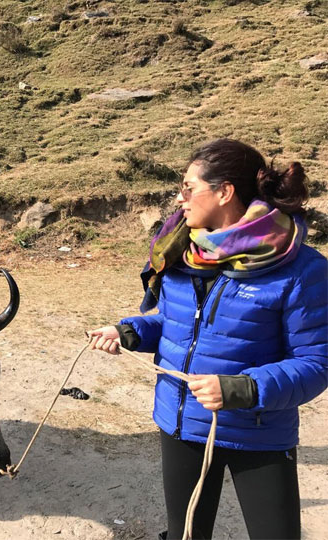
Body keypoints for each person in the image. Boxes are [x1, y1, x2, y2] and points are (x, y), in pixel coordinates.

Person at [88, 138, 327, 540]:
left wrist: (242, 389)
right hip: (182, 425)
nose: (180, 199)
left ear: (224, 191)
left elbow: (317, 362)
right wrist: (128, 331)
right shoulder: (179, 250)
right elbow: (173, 323)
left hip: (259, 432)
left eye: (188, 187)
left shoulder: (301, 268)